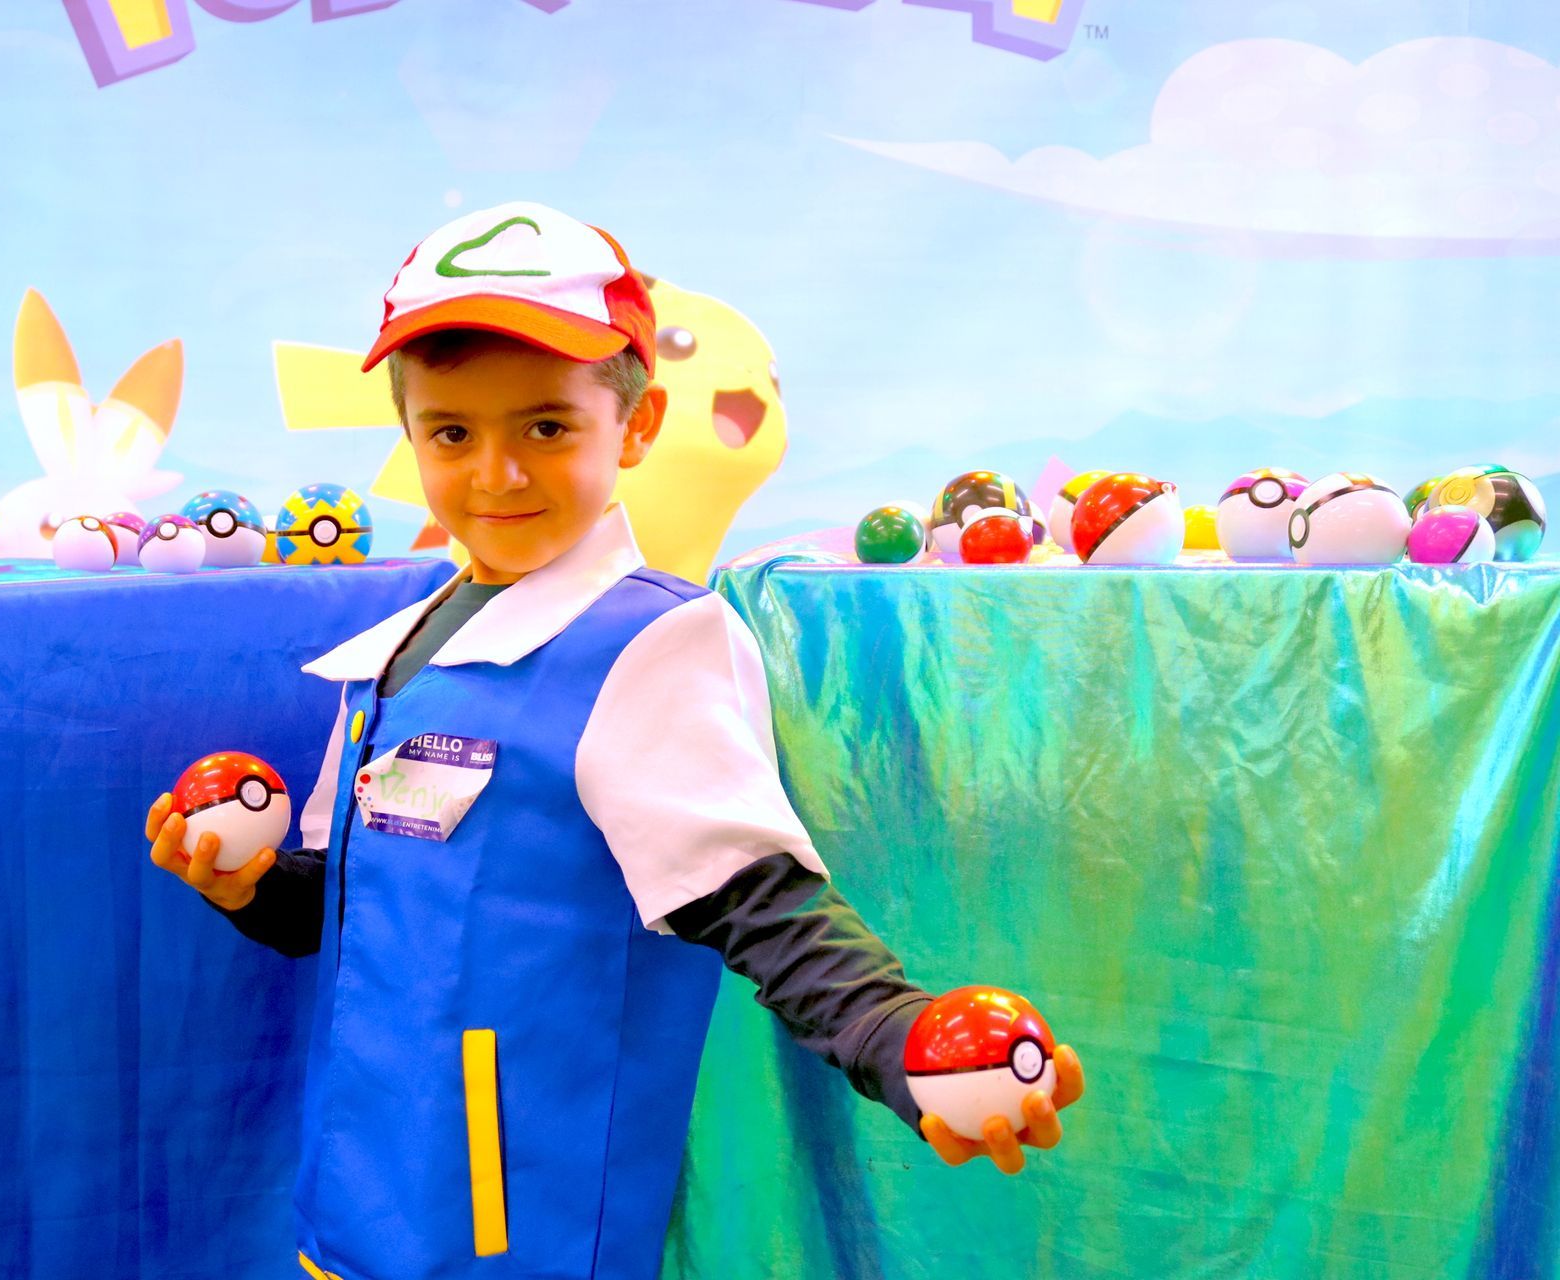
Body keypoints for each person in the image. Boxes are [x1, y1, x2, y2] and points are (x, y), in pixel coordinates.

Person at [144, 201, 1083, 1280]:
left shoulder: (650, 644)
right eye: (452, 433)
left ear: (635, 427)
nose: (496, 473)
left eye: (546, 427)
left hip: (513, 1227)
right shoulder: (397, 650)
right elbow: (350, 910)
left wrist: (889, 1032)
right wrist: (251, 888)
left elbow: (756, 902)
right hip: (356, 1197)